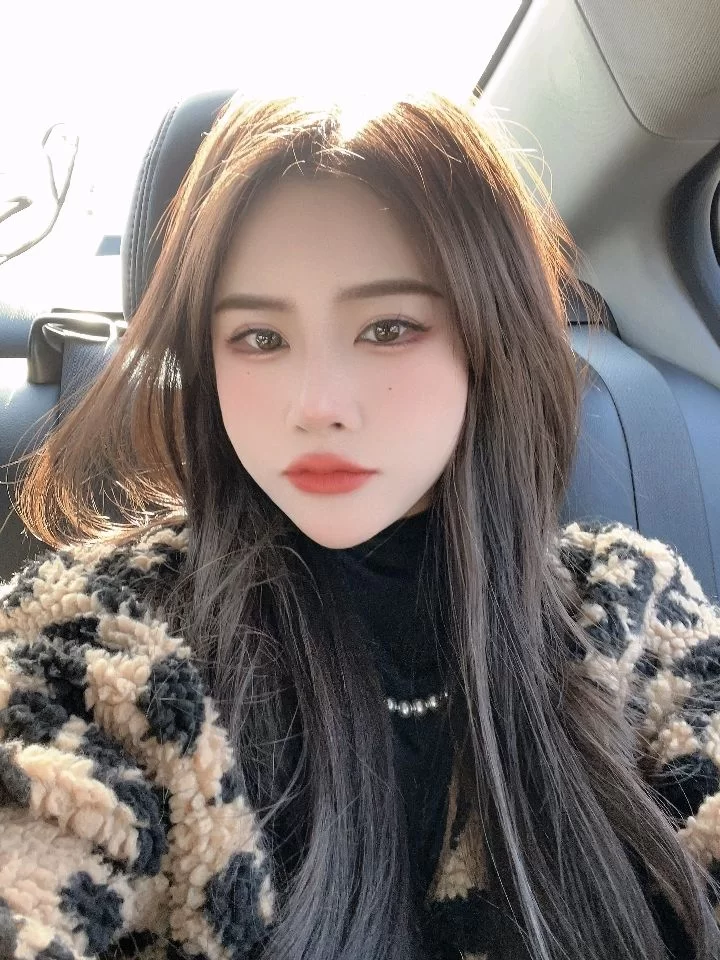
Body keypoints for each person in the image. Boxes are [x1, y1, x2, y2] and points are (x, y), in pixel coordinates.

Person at [1, 91, 719, 960]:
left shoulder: (631, 615)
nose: (317, 406)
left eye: (388, 328)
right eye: (258, 338)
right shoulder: (107, 637)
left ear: (489, 339)